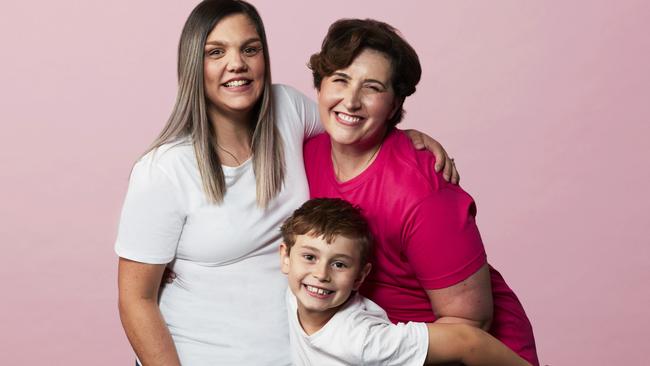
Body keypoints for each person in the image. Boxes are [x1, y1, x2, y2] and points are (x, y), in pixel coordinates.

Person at [115, 1, 457, 365]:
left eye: (250, 49)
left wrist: (405, 138)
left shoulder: (288, 109)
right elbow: (136, 300)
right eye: (216, 52)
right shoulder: (163, 170)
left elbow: (350, 122)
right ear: (193, 66)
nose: (237, 64)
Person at [304, 18, 540, 365]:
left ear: (394, 103)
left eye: (372, 88)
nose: (351, 101)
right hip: (374, 345)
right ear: (321, 86)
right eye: (340, 80)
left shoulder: (420, 189)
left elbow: (472, 323)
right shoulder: (305, 153)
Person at [279, 197, 531, 366]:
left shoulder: (362, 339)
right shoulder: (297, 294)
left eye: (339, 264)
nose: (321, 274)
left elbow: (467, 341)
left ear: (360, 277)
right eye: (310, 257)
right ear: (286, 258)